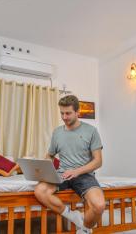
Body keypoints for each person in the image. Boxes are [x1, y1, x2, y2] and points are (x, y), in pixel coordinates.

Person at [34, 95, 105, 234]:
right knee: (39, 191)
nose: (64, 117)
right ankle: (72, 216)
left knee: (99, 205)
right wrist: (45, 167)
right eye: (62, 113)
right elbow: (50, 155)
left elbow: (98, 161)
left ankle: (85, 227)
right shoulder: (57, 132)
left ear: (78, 112)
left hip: (84, 175)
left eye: (68, 113)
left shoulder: (91, 131)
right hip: (62, 174)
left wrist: (77, 171)